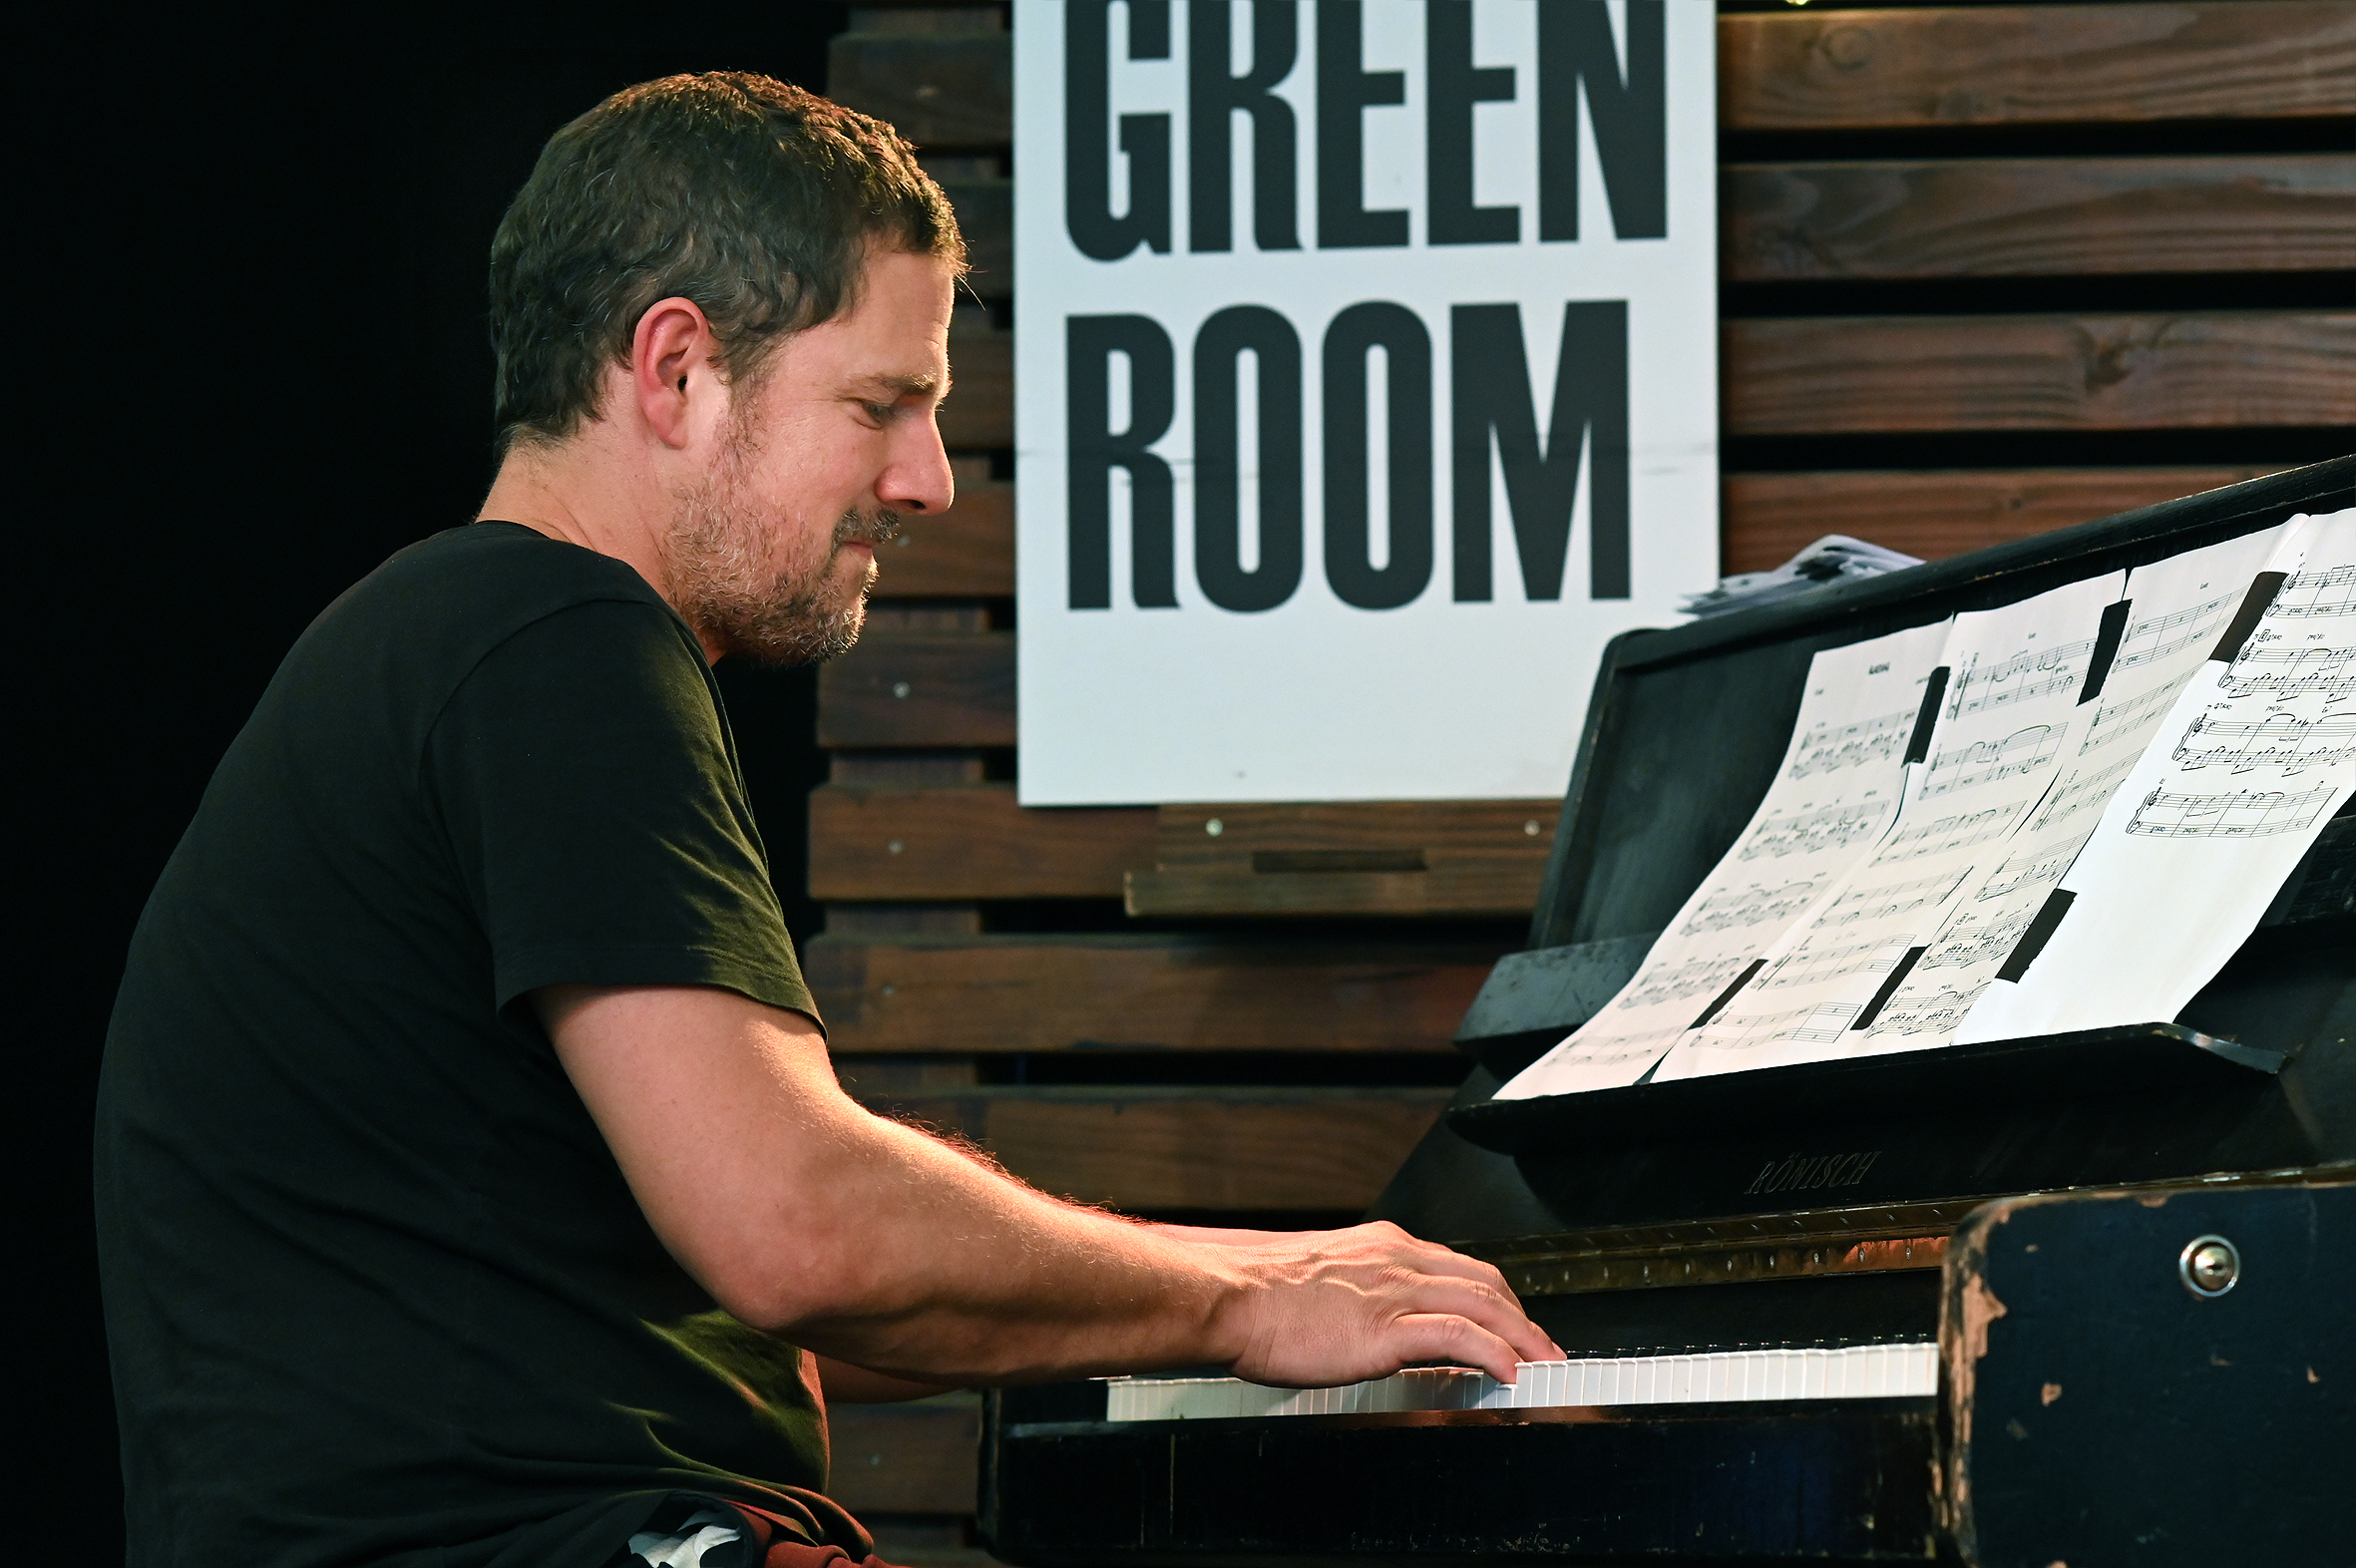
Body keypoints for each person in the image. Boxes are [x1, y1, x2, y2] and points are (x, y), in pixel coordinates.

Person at [94, 72, 1560, 1568]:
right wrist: (1246, 1303)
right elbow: (797, 1234)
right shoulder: (550, 638)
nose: (926, 481)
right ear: (677, 368)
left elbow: (777, 1289)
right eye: (880, 405)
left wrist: (1262, 1271)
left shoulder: (455, 643)